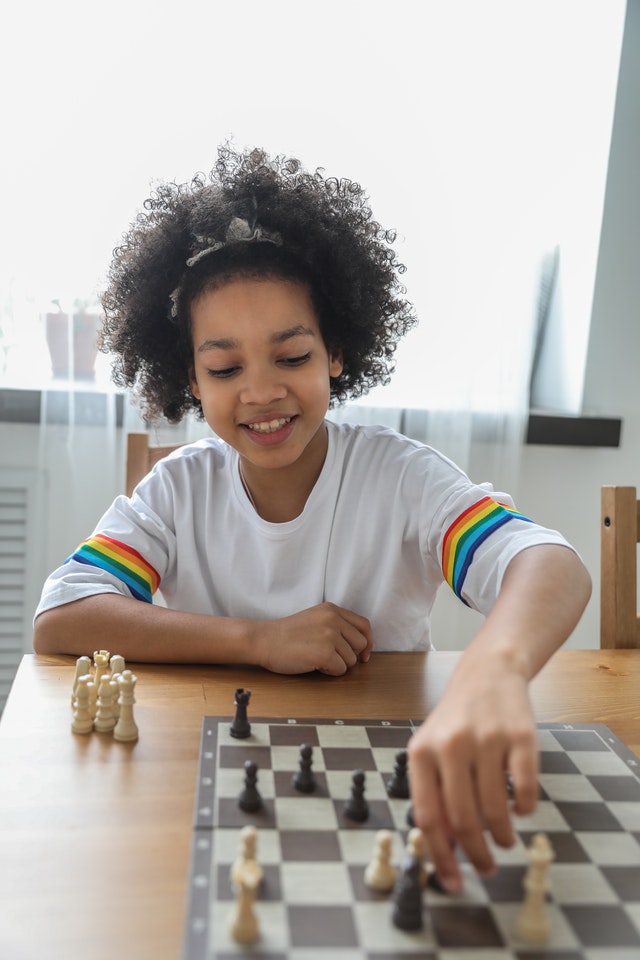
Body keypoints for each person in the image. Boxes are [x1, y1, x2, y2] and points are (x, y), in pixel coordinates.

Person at [33, 144, 591, 892]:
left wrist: (497, 668)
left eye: (291, 356)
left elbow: (549, 564)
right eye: (225, 370)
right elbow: (62, 614)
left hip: (387, 779)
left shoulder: (399, 474)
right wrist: (259, 640)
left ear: (335, 353)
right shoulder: (178, 490)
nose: (261, 392)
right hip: (221, 781)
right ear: (190, 380)